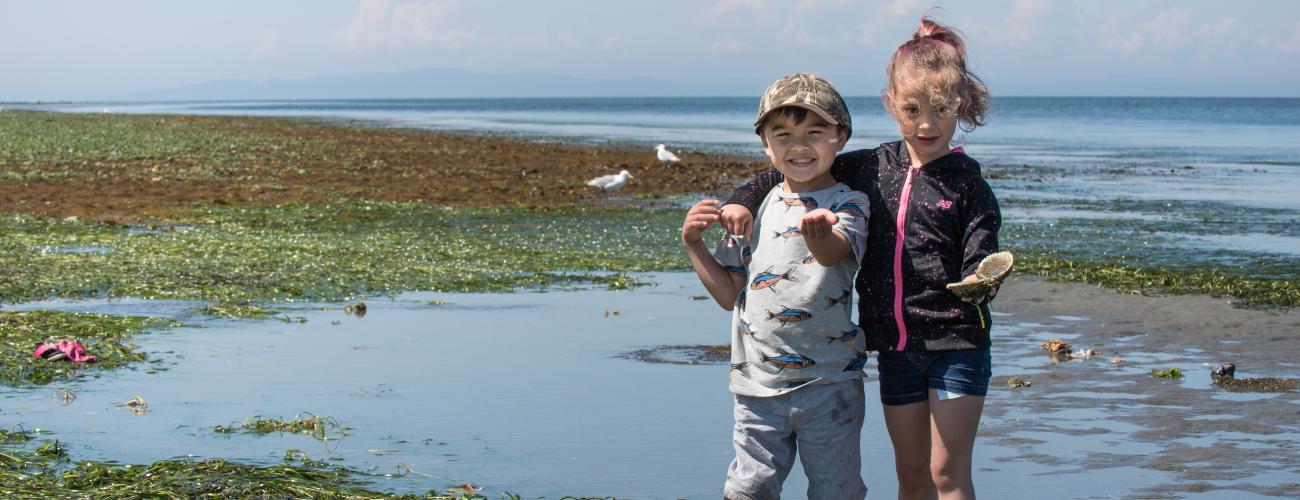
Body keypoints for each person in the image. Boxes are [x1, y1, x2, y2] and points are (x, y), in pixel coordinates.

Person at [720, 16, 1000, 500]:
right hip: (892, 346)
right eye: (912, 109)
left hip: (957, 341)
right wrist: (740, 200)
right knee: (911, 477)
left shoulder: (968, 185)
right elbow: (791, 168)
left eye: (940, 109)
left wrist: (980, 279)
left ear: (961, 107)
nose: (926, 123)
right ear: (892, 105)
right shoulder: (871, 165)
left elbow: (983, 248)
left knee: (945, 474)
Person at [682, 72, 871, 500]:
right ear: (766, 144)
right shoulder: (752, 210)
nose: (798, 146)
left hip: (830, 383)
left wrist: (817, 231)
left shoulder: (849, 203)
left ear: (840, 137)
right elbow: (730, 295)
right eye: (782, 135)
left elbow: (832, 253)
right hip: (756, 385)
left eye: (815, 132)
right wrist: (694, 244)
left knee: (837, 491)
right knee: (749, 489)